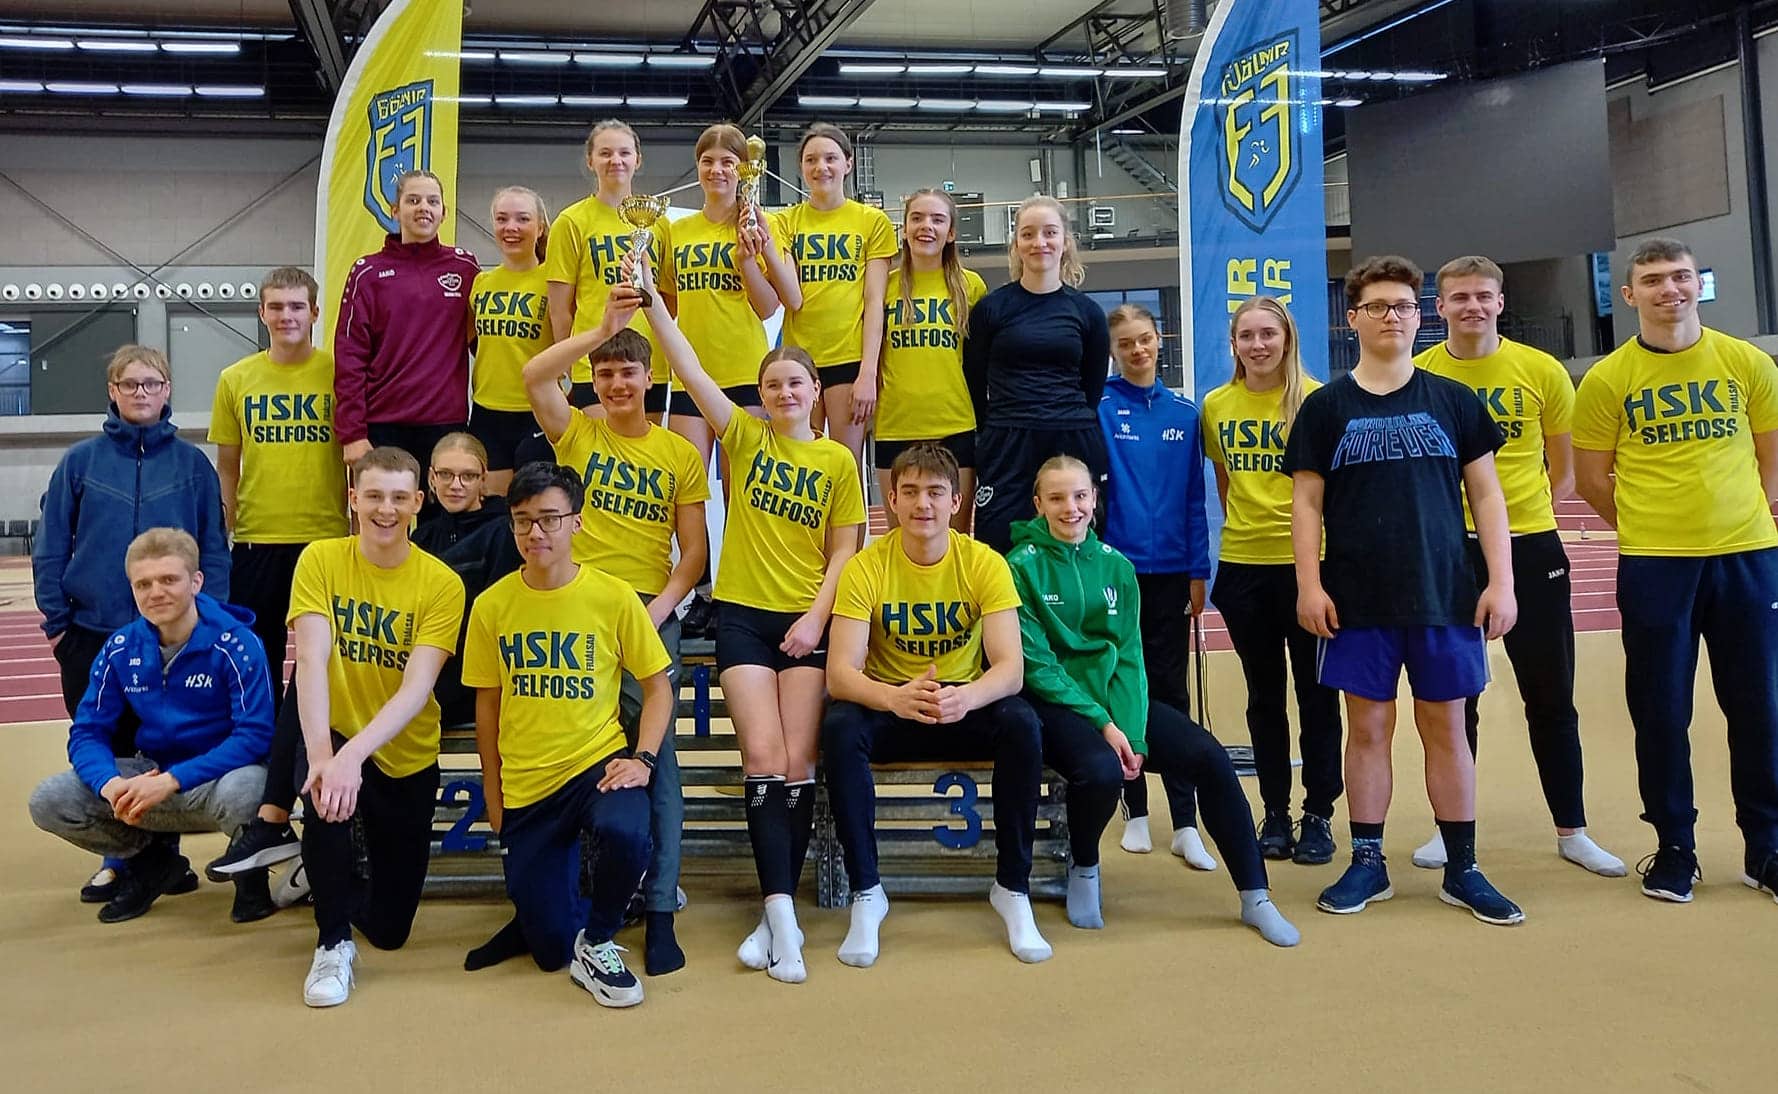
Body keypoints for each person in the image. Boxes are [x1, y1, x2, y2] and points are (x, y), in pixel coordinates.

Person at [639, 252, 865, 983]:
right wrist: (652, 303)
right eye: (772, 385)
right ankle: (784, 923)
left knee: (799, 765)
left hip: (804, 623)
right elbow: (689, 366)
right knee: (764, 759)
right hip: (743, 619)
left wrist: (815, 621)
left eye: (795, 382)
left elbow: (845, 551)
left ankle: (776, 917)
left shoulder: (837, 464)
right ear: (762, 396)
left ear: (814, 390)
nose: (784, 393)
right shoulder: (742, 436)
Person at [1285, 255, 1524, 926]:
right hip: (1357, 600)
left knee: (1447, 727)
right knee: (1367, 728)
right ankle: (1368, 862)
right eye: (1378, 306)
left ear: (1420, 318)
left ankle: (1463, 867)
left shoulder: (1453, 400)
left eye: (1403, 306)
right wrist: (1309, 584)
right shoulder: (1325, 407)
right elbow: (1306, 503)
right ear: (1352, 318)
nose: (1391, 316)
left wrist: (1501, 581)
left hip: (1444, 593)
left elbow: (1487, 495)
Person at [1008, 457, 1300, 947]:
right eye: (1056, 498)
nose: (1070, 508)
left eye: (1080, 496)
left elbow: (1128, 657)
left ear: (1094, 499)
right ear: (1038, 504)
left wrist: (1134, 732)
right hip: (1057, 707)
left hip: (1115, 705)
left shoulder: (1116, 567)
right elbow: (1038, 665)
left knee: (1209, 757)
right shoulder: (1019, 567)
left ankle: (1256, 896)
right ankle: (1084, 866)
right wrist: (1106, 725)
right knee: (1101, 771)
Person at [1573, 236, 1778, 906]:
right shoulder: (1608, 379)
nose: (1671, 290)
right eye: (1655, 280)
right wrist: (1648, 526)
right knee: (1660, 709)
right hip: (1656, 565)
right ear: (1630, 295)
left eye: (1682, 277)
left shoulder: (1746, 362)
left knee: (1760, 706)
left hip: (1747, 558)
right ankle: (1675, 846)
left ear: (1698, 284)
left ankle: (1766, 846)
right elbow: (1592, 479)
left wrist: (1743, 517)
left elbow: (1771, 457)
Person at [1415, 256, 1624, 877]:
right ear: (1440, 308)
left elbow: (1563, 467)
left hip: (1530, 546)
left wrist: (1523, 518)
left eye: (1483, 296)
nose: (1472, 306)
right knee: (1453, 698)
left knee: (1550, 694)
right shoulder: (1422, 375)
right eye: (1459, 297)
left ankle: (1572, 829)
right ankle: (1450, 828)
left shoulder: (1542, 371)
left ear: (1500, 303)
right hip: (1448, 550)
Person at [520, 304, 712, 976]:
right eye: (604, 374)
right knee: (576, 748)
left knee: (656, 759)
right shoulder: (578, 434)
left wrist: (655, 610)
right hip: (577, 612)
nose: (616, 384)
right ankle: (589, 891)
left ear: (649, 376)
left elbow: (694, 553)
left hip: (647, 613)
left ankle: (660, 908)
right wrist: (598, 332)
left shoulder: (677, 453)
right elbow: (534, 374)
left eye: (627, 372)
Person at [823, 444, 1048, 966]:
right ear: (892, 501)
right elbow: (840, 674)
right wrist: (894, 698)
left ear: (956, 501)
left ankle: (1012, 887)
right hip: (893, 704)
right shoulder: (865, 567)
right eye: (910, 492)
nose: (922, 503)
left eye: (935, 492)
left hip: (961, 703)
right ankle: (866, 891)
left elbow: (1010, 670)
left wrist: (965, 697)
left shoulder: (984, 562)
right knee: (840, 728)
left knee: (1022, 724)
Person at [459, 463, 672, 1007]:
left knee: (626, 829)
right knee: (551, 950)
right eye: (523, 520)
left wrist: (644, 759)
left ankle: (599, 940)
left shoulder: (613, 596)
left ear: (576, 522)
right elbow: (488, 706)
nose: (536, 532)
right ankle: (548, 915)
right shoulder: (491, 606)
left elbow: (658, 689)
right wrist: (492, 791)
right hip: (528, 783)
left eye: (550, 518)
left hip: (596, 766)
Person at [35, 343, 231, 904]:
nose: (141, 393)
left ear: (167, 391)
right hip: (92, 635)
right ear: (112, 392)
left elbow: (214, 549)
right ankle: (131, 858)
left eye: (151, 383)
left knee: (165, 746)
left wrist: (209, 621)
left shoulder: (192, 465)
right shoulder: (80, 462)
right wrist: (59, 626)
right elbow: (51, 546)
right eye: (129, 384)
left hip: (173, 639)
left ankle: (159, 857)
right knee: (110, 749)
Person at [284, 446, 466, 1007]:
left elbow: (417, 688)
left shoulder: (442, 583)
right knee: (326, 799)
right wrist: (324, 756)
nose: (386, 509)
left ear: (418, 502)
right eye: (374, 496)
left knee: (390, 930)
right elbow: (311, 658)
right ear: (353, 500)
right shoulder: (320, 559)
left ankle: (332, 872)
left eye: (398, 498)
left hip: (401, 748)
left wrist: (353, 756)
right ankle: (331, 940)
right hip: (334, 729)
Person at [28, 528, 273, 924]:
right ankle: (151, 862)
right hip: (151, 774)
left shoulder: (237, 644)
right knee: (50, 800)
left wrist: (172, 781)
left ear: (196, 581)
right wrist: (111, 785)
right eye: (143, 584)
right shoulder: (120, 648)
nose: (156, 592)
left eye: (169, 580)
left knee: (249, 788)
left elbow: (255, 736)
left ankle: (250, 876)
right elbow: (88, 732)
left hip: (217, 780)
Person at [1200, 297, 1344, 866]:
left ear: (1287, 339)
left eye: (1268, 334)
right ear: (1234, 344)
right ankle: (1276, 812)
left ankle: (1319, 813)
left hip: (1310, 569)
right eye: (1247, 336)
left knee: (1317, 696)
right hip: (1244, 568)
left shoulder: (1317, 400)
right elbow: (1226, 482)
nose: (1258, 345)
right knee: (1263, 698)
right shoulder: (1216, 405)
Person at [1097, 303, 1216, 869]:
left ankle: (1185, 820)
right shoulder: (1100, 409)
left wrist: (1198, 570)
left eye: (1144, 339)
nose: (1137, 350)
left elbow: (1195, 499)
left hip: (1171, 574)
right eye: (1125, 343)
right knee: (1123, 687)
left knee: (1172, 692)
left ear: (1159, 340)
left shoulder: (1185, 414)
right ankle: (1136, 811)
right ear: (1114, 351)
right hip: (1117, 574)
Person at [211, 266, 347, 712]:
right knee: (257, 658)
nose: (286, 315)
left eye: (296, 306)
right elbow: (227, 466)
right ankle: (262, 741)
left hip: (325, 539)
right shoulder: (235, 378)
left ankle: (309, 739)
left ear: (314, 313)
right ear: (261, 313)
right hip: (258, 539)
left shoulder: (339, 374)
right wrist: (227, 527)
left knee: (323, 659)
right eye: (276, 307)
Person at [963, 196, 1111, 553]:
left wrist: (1060, 415)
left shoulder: (1087, 313)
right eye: (1028, 234)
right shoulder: (991, 309)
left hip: (1071, 435)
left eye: (1049, 233)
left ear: (1065, 241)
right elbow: (973, 379)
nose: (1039, 242)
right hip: (1008, 441)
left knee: (1075, 543)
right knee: (998, 544)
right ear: (1016, 244)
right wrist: (997, 427)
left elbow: (1092, 388)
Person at [667, 123, 801, 471]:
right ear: (698, 166)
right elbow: (668, 299)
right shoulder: (675, 231)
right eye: (708, 161)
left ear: (743, 170)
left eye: (728, 162)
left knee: (740, 490)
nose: (717, 170)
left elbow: (768, 308)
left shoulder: (761, 225)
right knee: (687, 487)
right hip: (690, 374)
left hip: (743, 372)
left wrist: (746, 262)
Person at [332, 169, 481, 467]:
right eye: (413, 200)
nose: (423, 207)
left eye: (432, 201)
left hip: (446, 424)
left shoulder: (465, 267)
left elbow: (487, 341)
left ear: (443, 213)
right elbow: (349, 357)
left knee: (446, 501)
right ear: (395, 211)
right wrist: (352, 434)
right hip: (382, 425)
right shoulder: (367, 273)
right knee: (384, 501)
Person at [776, 122, 896, 466]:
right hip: (800, 361)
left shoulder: (872, 221)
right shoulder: (785, 222)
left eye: (830, 158)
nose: (821, 167)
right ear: (801, 167)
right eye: (811, 160)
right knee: (802, 464)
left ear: (848, 163)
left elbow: (874, 302)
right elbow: (791, 296)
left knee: (846, 464)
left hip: (849, 359)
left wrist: (868, 373)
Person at [544, 119, 675, 421]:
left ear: (637, 160)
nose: (615, 160)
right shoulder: (571, 222)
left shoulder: (659, 223)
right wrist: (568, 364)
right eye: (605, 153)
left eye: (624, 153)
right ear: (590, 161)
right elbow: (560, 311)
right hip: (594, 362)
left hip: (649, 363)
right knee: (602, 450)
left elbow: (669, 298)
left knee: (646, 449)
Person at [875, 188, 986, 532]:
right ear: (904, 229)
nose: (926, 226)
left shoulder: (970, 287)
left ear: (950, 232)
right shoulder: (884, 286)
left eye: (938, 219)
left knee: (954, 538)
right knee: (901, 540)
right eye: (917, 218)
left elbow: (980, 362)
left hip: (954, 424)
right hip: (896, 424)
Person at [413, 434, 522, 730]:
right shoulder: (422, 537)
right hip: (427, 663)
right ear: (431, 478)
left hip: (474, 673)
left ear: (483, 479)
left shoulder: (503, 531)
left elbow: (498, 614)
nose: (456, 485)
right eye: (446, 475)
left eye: (468, 476)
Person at [469, 186, 554, 495]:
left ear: (540, 227)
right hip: (487, 412)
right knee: (494, 512)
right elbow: (473, 340)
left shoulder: (554, 281)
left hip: (537, 412)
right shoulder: (481, 282)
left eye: (522, 219)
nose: (511, 227)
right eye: (502, 219)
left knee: (534, 508)